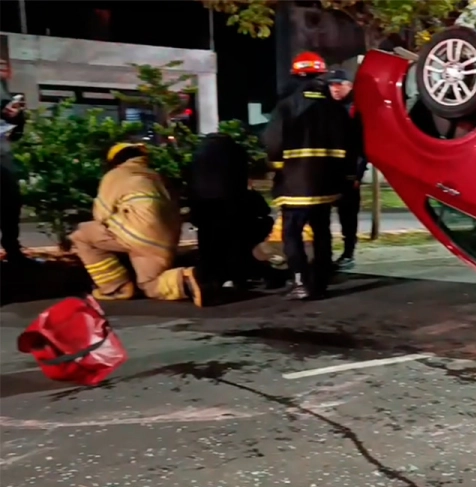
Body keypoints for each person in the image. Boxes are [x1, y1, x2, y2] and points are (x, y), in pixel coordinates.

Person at [70, 142, 212, 306]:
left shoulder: (116, 175)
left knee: (81, 235)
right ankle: (186, 277)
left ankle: (116, 288)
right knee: (150, 284)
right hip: (166, 241)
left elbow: (100, 213)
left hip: (138, 236)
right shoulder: (157, 177)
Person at [263, 51, 352, 300]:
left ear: (296, 76)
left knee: (292, 234)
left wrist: (279, 167)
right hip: (326, 185)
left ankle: (301, 283)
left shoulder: (287, 106)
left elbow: (272, 142)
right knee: (322, 232)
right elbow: (349, 144)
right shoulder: (335, 109)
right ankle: (320, 283)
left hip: (294, 186)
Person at [186, 133, 273, 288]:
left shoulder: (198, 154)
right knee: (233, 241)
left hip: (203, 207)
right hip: (231, 204)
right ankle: (237, 276)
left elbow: (191, 180)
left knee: (207, 242)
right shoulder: (236, 151)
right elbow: (242, 178)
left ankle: (211, 277)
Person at [327, 68, 368, 271]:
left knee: (348, 215)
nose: (334, 88)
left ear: (349, 86)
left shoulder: (355, 109)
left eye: (339, 84)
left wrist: (356, 174)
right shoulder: (327, 108)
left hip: (348, 171)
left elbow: (361, 146)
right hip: (328, 170)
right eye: (332, 84)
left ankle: (348, 253)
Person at [0, 69, 28, 264]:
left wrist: (15, 116)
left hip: (2, 154)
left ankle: (13, 250)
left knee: (10, 202)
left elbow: (12, 123)